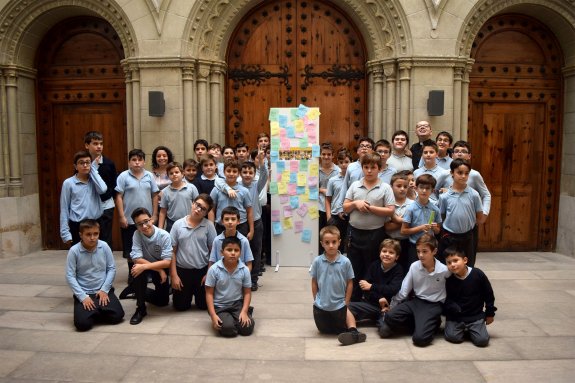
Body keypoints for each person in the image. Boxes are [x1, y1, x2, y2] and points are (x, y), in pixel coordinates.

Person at [379, 234, 450, 347]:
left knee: (419, 339)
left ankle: (433, 323)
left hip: (433, 305)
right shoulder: (414, 266)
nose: (420, 255)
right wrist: (392, 307)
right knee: (389, 317)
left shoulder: (444, 271)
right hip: (417, 302)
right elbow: (404, 291)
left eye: (425, 251)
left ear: (434, 251)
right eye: (418, 251)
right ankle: (421, 323)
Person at [343, 152, 395, 301]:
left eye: (373, 167)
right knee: (355, 268)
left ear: (379, 168)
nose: (369, 170)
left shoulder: (385, 188)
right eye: (366, 167)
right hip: (354, 233)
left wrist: (370, 208)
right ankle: (353, 300)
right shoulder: (355, 185)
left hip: (375, 234)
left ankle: (371, 300)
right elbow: (345, 207)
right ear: (362, 168)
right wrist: (354, 203)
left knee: (372, 268)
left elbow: (391, 211)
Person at [310, 226, 366, 346]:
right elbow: (314, 281)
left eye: (334, 242)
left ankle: (354, 331)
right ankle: (342, 327)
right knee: (325, 330)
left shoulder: (346, 262)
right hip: (322, 304)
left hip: (340, 303)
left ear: (339, 242)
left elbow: (350, 282)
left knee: (346, 312)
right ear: (322, 244)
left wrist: (346, 301)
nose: (331, 245)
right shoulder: (317, 261)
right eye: (327, 242)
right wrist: (316, 299)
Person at [115, 149, 159, 299]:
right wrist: (121, 216)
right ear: (129, 161)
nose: (137, 162)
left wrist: (154, 214)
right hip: (129, 219)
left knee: (147, 246)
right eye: (134, 160)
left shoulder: (149, 176)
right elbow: (119, 197)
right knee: (130, 249)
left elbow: (155, 195)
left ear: (144, 161)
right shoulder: (123, 176)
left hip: (146, 220)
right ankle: (132, 273)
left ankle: (147, 272)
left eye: (140, 160)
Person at [435, 141, 491, 262]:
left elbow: (486, 194)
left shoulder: (475, 175)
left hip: (469, 224)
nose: (460, 153)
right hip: (449, 228)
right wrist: (441, 195)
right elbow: (435, 193)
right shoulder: (444, 175)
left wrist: (484, 213)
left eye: (464, 151)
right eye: (457, 151)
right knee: (448, 259)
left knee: (468, 258)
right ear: (452, 155)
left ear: (469, 156)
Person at [65, 219, 124, 331]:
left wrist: (104, 290)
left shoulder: (104, 246)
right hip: (85, 292)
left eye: (95, 234)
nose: (92, 237)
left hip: (102, 290)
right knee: (82, 325)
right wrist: (82, 297)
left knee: (117, 316)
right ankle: (95, 309)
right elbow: (70, 276)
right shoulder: (74, 251)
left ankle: (95, 310)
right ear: (80, 235)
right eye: (88, 234)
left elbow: (111, 268)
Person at [170, 194, 217, 311]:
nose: (198, 209)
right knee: (180, 307)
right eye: (198, 205)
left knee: (203, 306)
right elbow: (172, 252)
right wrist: (174, 275)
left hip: (202, 271)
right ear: (193, 203)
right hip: (182, 271)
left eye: (203, 209)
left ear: (206, 213)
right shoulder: (178, 225)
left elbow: (213, 252)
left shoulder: (209, 226)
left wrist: (209, 274)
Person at [443, 247, 496, 347]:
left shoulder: (478, 274)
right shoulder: (449, 279)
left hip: (475, 315)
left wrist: (490, 313)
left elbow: (489, 294)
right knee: (452, 337)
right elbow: (447, 298)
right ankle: (463, 330)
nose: (452, 265)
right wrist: (451, 306)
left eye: (455, 260)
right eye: (449, 263)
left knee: (482, 341)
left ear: (465, 260)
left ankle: (474, 329)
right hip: (457, 316)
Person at [347, 239, 404, 331]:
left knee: (385, 331)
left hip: (388, 308)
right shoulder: (374, 266)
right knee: (346, 308)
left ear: (397, 257)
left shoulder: (398, 270)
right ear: (379, 253)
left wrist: (372, 286)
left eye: (391, 252)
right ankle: (369, 318)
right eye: (384, 251)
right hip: (371, 304)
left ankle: (379, 319)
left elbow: (393, 289)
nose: (387, 254)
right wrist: (380, 297)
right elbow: (364, 287)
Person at [128, 207, 172, 325]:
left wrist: (158, 269)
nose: (144, 226)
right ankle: (140, 308)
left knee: (163, 302)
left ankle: (136, 289)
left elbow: (168, 262)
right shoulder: (137, 234)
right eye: (139, 224)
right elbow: (136, 259)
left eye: (146, 221)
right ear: (136, 226)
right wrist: (158, 269)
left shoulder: (164, 235)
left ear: (152, 220)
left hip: (159, 265)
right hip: (152, 267)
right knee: (137, 269)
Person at [205, 236, 255, 337]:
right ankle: (228, 321)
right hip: (220, 306)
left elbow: (247, 293)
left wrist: (244, 311)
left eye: (236, 250)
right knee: (228, 329)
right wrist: (213, 315)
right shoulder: (214, 270)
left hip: (237, 304)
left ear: (240, 253)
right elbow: (209, 293)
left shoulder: (244, 270)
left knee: (247, 329)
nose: (233, 253)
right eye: (229, 250)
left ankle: (239, 316)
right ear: (221, 252)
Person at [438, 159, 483, 265]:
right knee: (448, 264)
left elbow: (479, 216)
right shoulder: (444, 196)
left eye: (466, 173)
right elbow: (442, 215)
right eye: (460, 172)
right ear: (452, 173)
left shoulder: (474, 194)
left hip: (467, 236)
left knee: (468, 264)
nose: (463, 176)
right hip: (449, 236)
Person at [60, 150, 107, 246]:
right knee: (80, 257)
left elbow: (103, 189)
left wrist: (93, 169)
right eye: (81, 163)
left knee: (97, 256)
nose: (85, 165)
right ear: (75, 166)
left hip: (95, 222)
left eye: (88, 162)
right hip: (78, 224)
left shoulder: (95, 180)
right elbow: (64, 208)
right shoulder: (69, 183)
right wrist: (65, 233)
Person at [84, 131, 117, 248]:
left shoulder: (108, 164)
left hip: (105, 206)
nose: (99, 146)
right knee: (89, 237)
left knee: (105, 238)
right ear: (87, 145)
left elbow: (113, 185)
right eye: (95, 143)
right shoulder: (83, 163)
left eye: (101, 144)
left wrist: (105, 197)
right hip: (88, 206)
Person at [401, 174, 442, 265]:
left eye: (427, 188)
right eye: (421, 188)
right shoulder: (410, 208)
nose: (424, 191)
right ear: (416, 188)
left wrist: (435, 228)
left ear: (432, 191)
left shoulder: (435, 209)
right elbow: (403, 230)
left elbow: (438, 231)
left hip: (430, 246)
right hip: (414, 246)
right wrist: (421, 227)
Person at [210, 159, 253, 239]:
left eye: (234, 171)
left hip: (240, 227)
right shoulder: (216, 190)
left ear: (239, 174)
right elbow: (211, 210)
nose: (231, 174)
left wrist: (251, 230)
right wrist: (211, 228)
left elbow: (249, 211)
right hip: (221, 227)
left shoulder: (244, 191)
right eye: (228, 171)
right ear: (224, 172)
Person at [384, 171, 414, 272]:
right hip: (390, 241)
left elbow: (413, 225)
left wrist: (397, 220)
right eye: (399, 186)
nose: (402, 189)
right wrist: (405, 221)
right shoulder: (388, 204)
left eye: (405, 187)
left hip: (407, 243)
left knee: (406, 268)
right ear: (391, 187)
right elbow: (387, 227)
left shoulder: (413, 205)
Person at [209, 206, 253, 270]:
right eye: (226, 219)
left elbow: (249, 264)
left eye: (233, 219)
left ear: (238, 221)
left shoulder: (244, 241)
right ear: (222, 222)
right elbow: (212, 262)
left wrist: (244, 277)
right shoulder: (217, 240)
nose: (230, 222)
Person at [158, 162, 199, 232]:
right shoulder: (165, 192)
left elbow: (198, 206)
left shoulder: (191, 188)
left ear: (183, 174)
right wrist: (160, 229)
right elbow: (163, 211)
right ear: (168, 176)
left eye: (177, 172)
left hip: (189, 221)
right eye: (171, 173)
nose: (174, 174)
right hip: (172, 223)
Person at [326, 149, 352, 253]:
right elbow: (328, 199)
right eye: (341, 162)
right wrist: (329, 217)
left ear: (351, 162)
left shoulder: (354, 179)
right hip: (335, 215)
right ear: (338, 163)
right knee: (335, 243)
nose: (344, 165)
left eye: (346, 162)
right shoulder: (333, 180)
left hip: (349, 215)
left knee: (348, 243)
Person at [318, 142, 340, 252]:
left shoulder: (338, 171)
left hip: (333, 207)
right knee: (320, 234)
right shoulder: (315, 170)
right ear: (320, 155)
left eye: (329, 154)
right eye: (324, 154)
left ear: (333, 155)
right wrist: (323, 190)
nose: (326, 157)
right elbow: (310, 188)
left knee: (332, 234)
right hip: (318, 206)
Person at [413, 140, 448, 204]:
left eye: (431, 152)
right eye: (425, 152)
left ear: (437, 154)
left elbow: (445, 193)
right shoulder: (416, 172)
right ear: (422, 155)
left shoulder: (443, 173)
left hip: (436, 206)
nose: (428, 155)